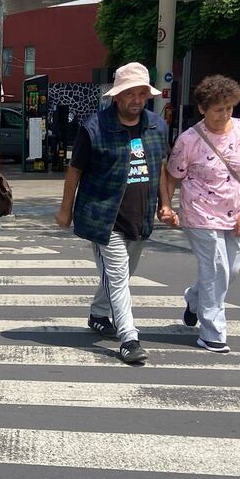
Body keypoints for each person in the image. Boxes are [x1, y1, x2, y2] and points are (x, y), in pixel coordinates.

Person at [54, 62, 168, 365]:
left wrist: (165, 204)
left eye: (142, 94)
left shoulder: (157, 125)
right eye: (130, 93)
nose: (136, 100)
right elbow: (75, 170)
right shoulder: (95, 127)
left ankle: (98, 313)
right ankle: (129, 338)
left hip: (140, 216)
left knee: (124, 274)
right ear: (116, 96)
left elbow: (162, 168)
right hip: (104, 217)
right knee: (118, 276)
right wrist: (66, 209)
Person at [158, 75, 240, 353]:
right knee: (217, 270)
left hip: (235, 212)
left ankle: (194, 299)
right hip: (200, 213)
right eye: (218, 109)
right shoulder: (189, 139)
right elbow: (171, 176)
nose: (225, 114)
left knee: (232, 270)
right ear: (203, 109)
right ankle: (213, 332)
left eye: (229, 108)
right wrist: (166, 205)